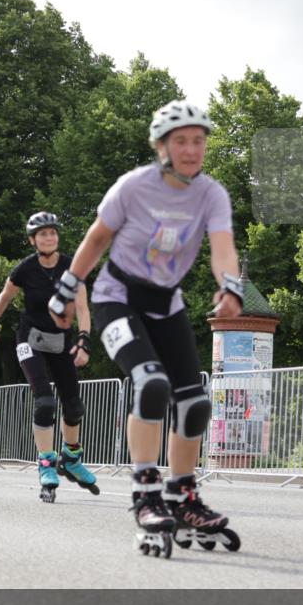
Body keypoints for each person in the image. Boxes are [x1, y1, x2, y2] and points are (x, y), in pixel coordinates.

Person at [48, 101, 243, 556]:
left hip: (166, 304)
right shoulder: (133, 187)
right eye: (181, 141)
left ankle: (183, 496)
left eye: (198, 141)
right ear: (161, 147)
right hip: (117, 298)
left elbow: (223, 247)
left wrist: (230, 286)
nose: (191, 150)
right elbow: (97, 238)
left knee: (195, 402)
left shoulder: (211, 194)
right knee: (151, 384)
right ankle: (145, 494)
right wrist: (66, 289)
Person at [0, 212, 99, 502]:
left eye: (53, 233)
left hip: (60, 341)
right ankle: (46, 463)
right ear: (32, 240)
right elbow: (5, 297)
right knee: (45, 402)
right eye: (43, 234)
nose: (49, 238)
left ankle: (71, 459)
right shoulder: (25, 269)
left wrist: (84, 339)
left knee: (74, 407)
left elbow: (82, 308)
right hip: (30, 339)